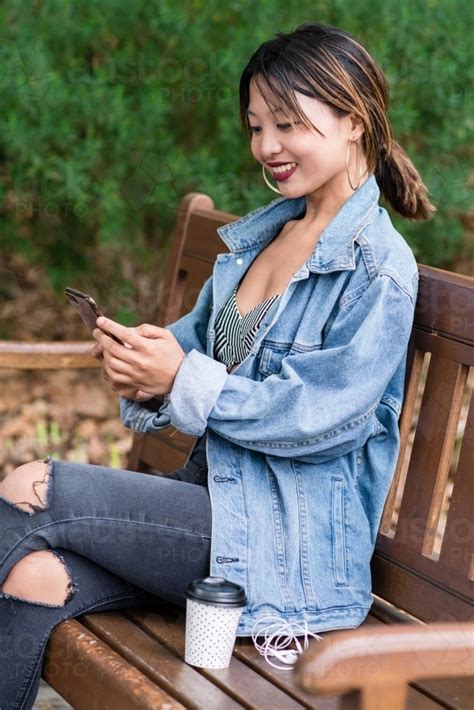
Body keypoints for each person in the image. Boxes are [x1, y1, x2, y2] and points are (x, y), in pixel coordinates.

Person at [0, 20, 436, 707]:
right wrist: (141, 365)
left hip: (284, 550)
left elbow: (322, 420)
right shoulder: (264, 237)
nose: (266, 146)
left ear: (353, 120)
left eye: (287, 124)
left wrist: (180, 379)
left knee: (30, 487)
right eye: (256, 126)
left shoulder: (378, 268)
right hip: (218, 516)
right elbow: (190, 353)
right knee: (35, 577)